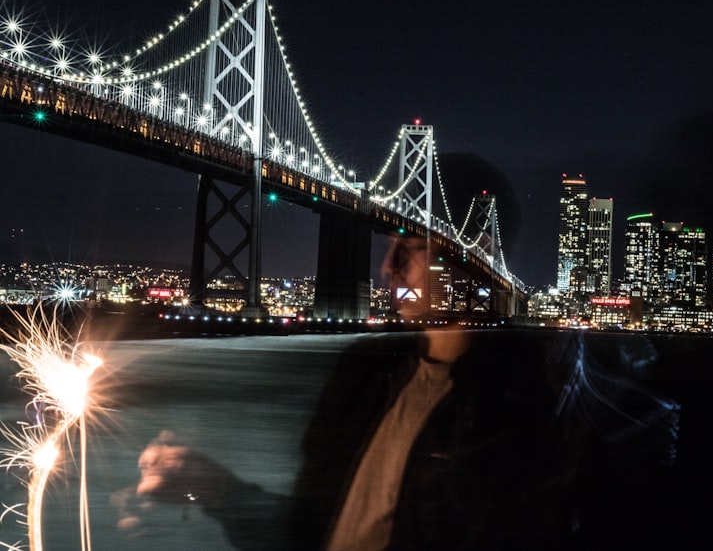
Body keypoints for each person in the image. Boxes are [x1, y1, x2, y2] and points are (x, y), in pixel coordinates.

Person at [116, 236, 680, 550]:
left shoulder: (530, 402)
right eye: (389, 248)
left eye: (411, 247)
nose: (388, 268)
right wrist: (215, 489)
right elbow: (322, 531)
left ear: (470, 255)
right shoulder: (363, 375)